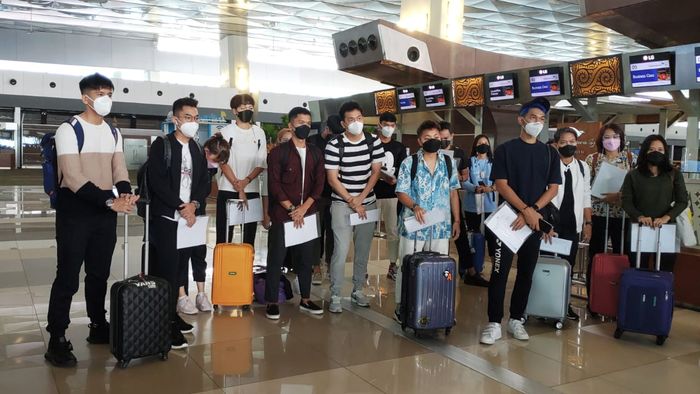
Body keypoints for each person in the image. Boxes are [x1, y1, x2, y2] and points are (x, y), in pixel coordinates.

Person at [44, 73, 137, 367]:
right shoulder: (69, 129)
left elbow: (119, 168)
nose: (105, 98)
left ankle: (98, 325)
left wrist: (125, 193)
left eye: (109, 93)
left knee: (98, 274)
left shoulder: (113, 132)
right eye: (100, 93)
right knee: (68, 277)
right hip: (75, 213)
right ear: (85, 97)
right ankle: (57, 337)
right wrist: (111, 200)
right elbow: (72, 177)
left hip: (103, 214)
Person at [480, 98, 560, 345]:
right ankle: (494, 322)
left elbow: (554, 188)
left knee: (526, 272)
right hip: (507, 221)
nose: (537, 122)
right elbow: (502, 185)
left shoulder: (549, 153)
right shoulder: (505, 150)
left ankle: (517, 318)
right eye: (533, 117)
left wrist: (533, 211)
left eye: (542, 119)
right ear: (521, 120)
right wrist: (525, 210)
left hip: (533, 222)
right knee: (499, 272)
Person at [148, 97, 209, 349]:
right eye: (187, 117)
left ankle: (173, 316)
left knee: (180, 268)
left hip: (189, 219)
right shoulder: (162, 145)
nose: (192, 122)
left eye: (195, 118)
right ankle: (164, 324)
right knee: (167, 271)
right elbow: (157, 181)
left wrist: (193, 203)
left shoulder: (196, 147)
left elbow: (204, 180)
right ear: (175, 119)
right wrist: (180, 206)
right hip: (167, 218)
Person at [393, 120, 461, 320]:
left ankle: (437, 306)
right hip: (415, 226)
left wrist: (457, 220)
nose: (433, 141)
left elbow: (453, 193)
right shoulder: (410, 162)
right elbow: (401, 191)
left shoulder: (448, 163)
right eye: (428, 138)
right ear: (419, 141)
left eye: (436, 138)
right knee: (407, 266)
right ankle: (402, 306)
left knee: (441, 269)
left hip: (440, 227)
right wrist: (414, 206)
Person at [264, 107, 326, 319]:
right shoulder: (278, 153)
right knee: (276, 258)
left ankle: (306, 299)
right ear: (291, 125)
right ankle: (272, 301)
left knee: (306, 259)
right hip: (283, 215)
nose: (305, 127)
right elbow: (274, 185)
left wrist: (304, 208)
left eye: (308, 123)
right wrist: (292, 208)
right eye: (300, 122)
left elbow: (319, 184)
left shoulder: (316, 152)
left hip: (307, 214)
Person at [325, 101, 384, 313]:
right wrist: (352, 200)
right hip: (342, 203)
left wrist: (362, 199)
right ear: (343, 123)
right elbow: (332, 178)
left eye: (359, 118)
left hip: (367, 202)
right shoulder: (334, 144)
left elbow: (376, 172)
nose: (356, 123)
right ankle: (335, 293)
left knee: (363, 250)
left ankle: (358, 290)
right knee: (340, 250)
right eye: (351, 119)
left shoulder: (373, 141)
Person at [584, 124, 636, 314]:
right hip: (598, 215)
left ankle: (620, 299)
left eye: (615, 136)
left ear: (621, 139)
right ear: (601, 139)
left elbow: (636, 187)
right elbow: (584, 189)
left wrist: (619, 197)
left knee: (623, 256)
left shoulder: (631, 159)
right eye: (607, 136)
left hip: (622, 217)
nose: (611, 140)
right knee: (596, 256)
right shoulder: (593, 159)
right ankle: (594, 300)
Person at [176, 135, 231, 314]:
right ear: (206, 152)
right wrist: (188, 208)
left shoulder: (209, 169)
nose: (216, 166)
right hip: (182, 213)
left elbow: (204, 190)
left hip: (198, 214)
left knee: (199, 253)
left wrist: (196, 206)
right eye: (215, 161)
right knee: (182, 256)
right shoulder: (190, 162)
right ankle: (181, 296)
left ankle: (201, 294)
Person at [621, 135, 688, 272]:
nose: (656, 152)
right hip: (639, 229)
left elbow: (682, 201)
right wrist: (639, 216)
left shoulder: (674, 174)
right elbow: (626, 201)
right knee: (638, 270)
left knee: (665, 271)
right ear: (644, 151)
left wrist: (666, 218)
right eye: (651, 149)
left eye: (660, 149)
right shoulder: (633, 175)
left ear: (665, 152)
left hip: (666, 230)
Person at [550, 127, 593, 321]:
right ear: (556, 144)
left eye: (572, 142)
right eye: (564, 142)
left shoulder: (583, 167)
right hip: (551, 224)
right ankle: (546, 303)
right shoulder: (550, 164)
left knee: (568, 265)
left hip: (571, 225)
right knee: (549, 263)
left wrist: (588, 222)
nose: (569, 145)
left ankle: (565, 304)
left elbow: (586, 197)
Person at [216, 94, 267, 245]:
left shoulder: (259, 133)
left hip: (251, 189)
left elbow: (261, 163)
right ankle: (222, 266)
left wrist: (245, 182)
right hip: (228, 188)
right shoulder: (226, 132)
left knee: (249, 236)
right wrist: (237, 184)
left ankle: (246, 267)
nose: (247, 110)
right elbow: (222, 161)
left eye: (250, 108)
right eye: (243, 108)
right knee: (224, 234)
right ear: (234, 110)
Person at [309, 115, 344, 284]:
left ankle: (330, 266)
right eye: (334, 132)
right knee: (315, 232)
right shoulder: (312, 143)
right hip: (315, 196)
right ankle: (315, 267)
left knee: (333, 233)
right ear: (326, 129)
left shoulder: (341, 143)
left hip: (335, 195)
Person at [374, 112, 407, 281]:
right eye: (385, 124)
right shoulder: (370, 144)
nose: (388, 128)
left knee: (393, 231)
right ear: (379, 125)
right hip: (370, 194)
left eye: (392, 125)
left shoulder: (399, 147)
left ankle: (393, 265)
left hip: (391, 196)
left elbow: (403, 170)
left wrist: (394, 180)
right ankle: (361, 265)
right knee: (363, 232)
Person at [461, 134, 496, 287]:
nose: (483, 145)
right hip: (471, 206)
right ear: (475, 146)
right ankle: (473, 271)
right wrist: (474, 188)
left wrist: (490, 188)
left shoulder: (494, 163)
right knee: (473, 238)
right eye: (480, 143)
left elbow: (500, 182)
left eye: (485, 143)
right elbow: (463, 182)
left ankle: (496, 270)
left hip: (489, 206)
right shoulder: (469, 162)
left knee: (492, 238)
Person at [438, 121, 471, 281]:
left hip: (452, 195)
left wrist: (458, 177)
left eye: (446, 138)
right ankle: (440, 272)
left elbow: (466, 175)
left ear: (452, 136)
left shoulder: (459, 153)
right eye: (441, 138)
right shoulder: (433, 151)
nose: (444, 141)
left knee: (460, 233)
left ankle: (468, 268)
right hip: (436, 198)